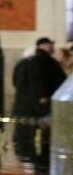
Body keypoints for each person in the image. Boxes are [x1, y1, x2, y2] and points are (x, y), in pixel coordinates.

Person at [10, 36, 65, 165]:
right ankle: (31, 155)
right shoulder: (39, 61)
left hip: (25, 106)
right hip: (33, 106)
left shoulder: (28, 63)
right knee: (31, 133)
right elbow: (36, 81)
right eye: (51, 44)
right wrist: (41, 96)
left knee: (26, 132)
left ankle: (27, 154)